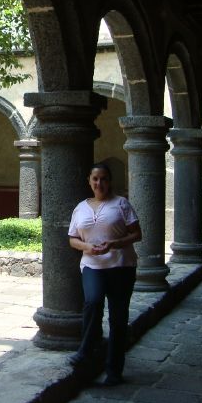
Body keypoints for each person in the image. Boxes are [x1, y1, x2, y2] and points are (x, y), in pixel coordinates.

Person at [67, 162, 142, 386]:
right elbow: (72, 239)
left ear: (110, 182)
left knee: (118, 319)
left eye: (104, 179)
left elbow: (137, 234)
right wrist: (87, 247)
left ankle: (113, 371)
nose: (100, 183)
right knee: (93, 302)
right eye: (95, 179)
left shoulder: (121, 204)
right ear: (89, 181)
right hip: (92, 265)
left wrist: (116, 243)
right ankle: (86, 349)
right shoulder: (80, 208)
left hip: (121, 266)